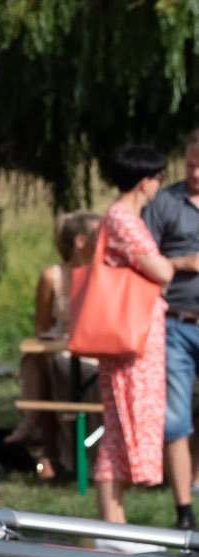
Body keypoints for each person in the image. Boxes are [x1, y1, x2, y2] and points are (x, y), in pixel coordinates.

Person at [90, 143, 173, 525]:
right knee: (121, 424)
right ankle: (111, 519)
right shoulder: (123, 218)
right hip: (130, 344)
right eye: (157, 178)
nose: (159, 186)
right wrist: (180, 263)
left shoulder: (121, 218)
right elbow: (162, 271)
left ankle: (114, 518)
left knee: (119, 426)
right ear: (144, 182)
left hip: (134, 340)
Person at [14, 210, 101, 482]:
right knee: (48, 364)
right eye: (99, 234)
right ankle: (58, 451)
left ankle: (55, 447)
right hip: (65, 352)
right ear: (80, 241)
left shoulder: (105, 275)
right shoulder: (52, 277)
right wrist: (49, 335)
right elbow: (40, 327)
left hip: (97, 354)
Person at [140, 130, 199, 528]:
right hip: (175, 321)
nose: (195, 171)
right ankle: (183, 513)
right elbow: (141, 258)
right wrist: (182, 263)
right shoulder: (164, 203)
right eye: (191, 162)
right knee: (176, 417)